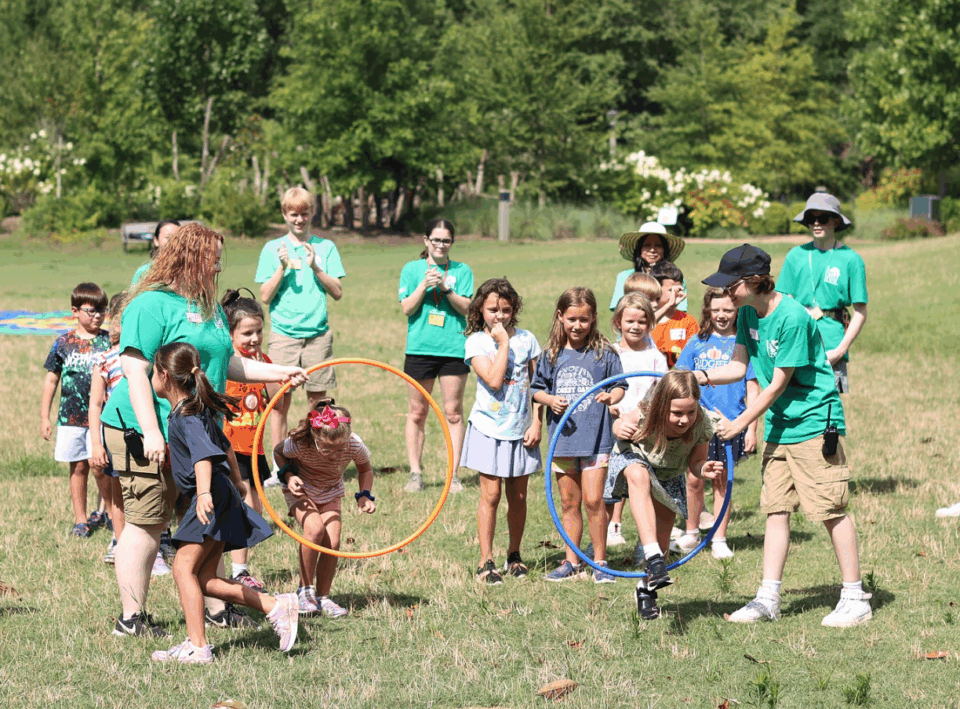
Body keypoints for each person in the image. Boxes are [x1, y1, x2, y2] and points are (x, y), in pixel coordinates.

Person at [101, 222, 308, 638]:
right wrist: (152, 432)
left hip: (195, 430)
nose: (218, 263)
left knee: (204, 518)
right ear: (190, 255)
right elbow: (135, 371)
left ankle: (215, 607)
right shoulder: (151, 305)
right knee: (148, 521)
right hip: (143, 431)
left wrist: (280, 371)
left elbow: (226, 363)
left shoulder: (208, 306)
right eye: (212, 254)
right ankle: (132, 618)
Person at [694, 244, 872, 628]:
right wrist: (698, 376)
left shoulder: (790, 316)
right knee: (776, 508)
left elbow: (776, 384)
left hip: (812, 422)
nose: (725, 293)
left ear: (755, 281)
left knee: (830, 508)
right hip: (780, 425)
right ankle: (768, 598)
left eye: (731, 285)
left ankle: (855, 597)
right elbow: (739, 365)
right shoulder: (747, 313)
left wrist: (740, 424)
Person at [151, 342, 300, 664]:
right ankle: (277, 606)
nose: (152, 377)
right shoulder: (195, 407)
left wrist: (204, 493)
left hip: (210, 497)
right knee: (205, 579)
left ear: (164, 376)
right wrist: (236, 481)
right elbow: (226, 445)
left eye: (153, 371)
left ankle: (198, 646)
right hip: (220, 493)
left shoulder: (186, 415)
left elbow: (205, 456)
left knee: (182, 569)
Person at [608, 371, 724, 619]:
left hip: (669, 474)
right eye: (677, 413)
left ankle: (646, 590)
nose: (684, 420)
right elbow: (620, 423)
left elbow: (696, 462)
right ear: (662, 406)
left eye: (690, 412)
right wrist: (619, 428)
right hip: (633, 459)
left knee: (662, 543)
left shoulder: (701, 424)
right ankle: (651, 556)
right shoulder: (648, 411)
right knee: (640, 477)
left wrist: (703, 469)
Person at [532, 287, 625, 583]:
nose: (577, 325)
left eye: (584, 319)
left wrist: (614, 397)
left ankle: (599, 560)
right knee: (569, 503)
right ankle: (572, 561)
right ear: (560, 317)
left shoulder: (605, 353)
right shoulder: (550, 355)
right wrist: (549, 400)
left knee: (595, 500)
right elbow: (535, 390)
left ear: (594, 318)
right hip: (564, 441)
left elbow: (621, 385)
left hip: (596, 439)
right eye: (571, 318)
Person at [461, 279, 543, 584]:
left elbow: (538, 386)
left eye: (506, 310)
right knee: (491, 495)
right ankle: (486, 559)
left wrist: (537, 421)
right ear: (480, 308)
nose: (499, 316)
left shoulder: (529, 340)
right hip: (488, 428)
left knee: (518, 496)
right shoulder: (477, 343)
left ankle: (514, 555)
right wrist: (504, 343)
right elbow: (494, 381)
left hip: (521, 430)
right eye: (493, 309)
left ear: (514, 310)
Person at [256, 187, 345, 466]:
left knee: (320, 405)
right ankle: (279, 465)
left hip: (317, 336)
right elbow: (265, 296)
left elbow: (338, 292)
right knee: (279, 405)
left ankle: (318, 460)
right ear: (284, 214)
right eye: (293, 214)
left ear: (311, 213)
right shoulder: (272, 249)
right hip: (283, 335)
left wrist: (316, 267)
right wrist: (281, 267)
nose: (299, 219)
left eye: (304, 213)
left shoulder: (326, 247)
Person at [675, 288, 760, 559]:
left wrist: (752, 428)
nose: (722, 316)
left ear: (737, 311)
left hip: (731, 424)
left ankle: (720, 538)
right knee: (694, 478)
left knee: (723, 481)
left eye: (728, 310)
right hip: (697, 424)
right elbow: (680, 379)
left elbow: (753, 387)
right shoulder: (696, 342)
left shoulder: (744, 344)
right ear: (707, 311)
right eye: (716, 310)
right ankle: (691, 532)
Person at [273, 398, 375, 618]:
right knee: (314, 529)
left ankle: (323, 597)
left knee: (333, 541)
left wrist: (364, 495)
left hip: (330, 491)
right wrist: (289, 476)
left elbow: (365, 469)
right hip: (301, 490)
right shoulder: (299, 443)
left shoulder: (353, 444)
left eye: (340, 449)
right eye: (329, 450)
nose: (337, 455)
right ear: (316, 438)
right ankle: (305, 591)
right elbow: (278, 453)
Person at [398, 219, 473, 494]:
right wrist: (423, 285)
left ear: (451, 243)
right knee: (417, 412)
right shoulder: (411, 269)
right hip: (419, 349)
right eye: (436, 239)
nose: (440, 245)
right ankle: (415, 473)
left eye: (446, 240)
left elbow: (467, 308)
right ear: (426, 240)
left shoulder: (462, 271)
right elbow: (407, 307)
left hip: (453, 349)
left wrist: (445, 288)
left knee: (453, 413)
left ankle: (453, 475)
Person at [220, 288, 286, 591]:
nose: (255, 338)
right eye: (247, 333)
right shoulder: (225, 362)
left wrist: (272, 375)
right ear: (229, 333)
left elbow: (278, 406)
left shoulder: (263, 361)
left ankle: (238, 567)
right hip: (229, 447)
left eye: (259, 331)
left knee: (254, 510)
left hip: (254, 445)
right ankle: (238, 569)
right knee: (241, 507)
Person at [40, 283, 111, 537]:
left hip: (102, 418)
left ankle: (110, 512)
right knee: (78, 467)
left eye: (102, 310)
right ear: (75, 311)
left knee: (101, 466)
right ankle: (81, 519)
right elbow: (51, 379)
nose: (98, 316)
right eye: (91, 310)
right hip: (70, 417)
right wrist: (44, 417)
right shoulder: (64, 342)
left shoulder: (108, 341)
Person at [778, 193, 867, 394]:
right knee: (794, 402)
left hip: (832, 343)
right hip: (797, 339)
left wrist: (841, 350)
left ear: (836, 221)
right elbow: (783, 302)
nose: (816, 223)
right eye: (811, 219)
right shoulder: (795, 255)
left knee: (829, 413)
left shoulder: (851, 259)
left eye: (823, 218)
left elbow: (860, 311)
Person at [603, 293, 668, 550]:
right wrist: (613, 409)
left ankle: (646, 544)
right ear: (618, 321)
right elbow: (603, 389)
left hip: (647, 430)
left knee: (647, 487)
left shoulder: (655, 357)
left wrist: (645, 418)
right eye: (630, 320)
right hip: (614, 427)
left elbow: (661, 391)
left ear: (650, 324)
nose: (635, 326)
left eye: (642, 322)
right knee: (610, 486)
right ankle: (607, 534)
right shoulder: (610, 353)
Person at [89, 292, 129, 563]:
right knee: (118, 494)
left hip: (144, 434)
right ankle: (120, 540)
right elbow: (95, 405)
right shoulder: (105, 359)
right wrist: (96, 443)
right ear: (116, 323)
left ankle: (158, 539)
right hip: (114, 435)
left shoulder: (153, 357)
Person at [610, 222, 687, 312]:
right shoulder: (625, 276)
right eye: (646, 245)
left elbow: (681, 309)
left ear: (665, 250)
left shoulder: (674, 279)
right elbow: (618, 307)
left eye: (658, 245)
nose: (652, 250)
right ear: (639, 249)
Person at [649, 261, 699, 368]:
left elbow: (695, 354)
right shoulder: (644, 320)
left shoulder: (688, 321)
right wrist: (668, 306)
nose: (676, 294)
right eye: (670, 290)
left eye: (679, 289)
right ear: (656, 289)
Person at [132, 219, 181, 287]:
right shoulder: (143, 273)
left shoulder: (188, 272)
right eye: (168, 237)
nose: (173, 242)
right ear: (156, 241)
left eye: (177, 238)